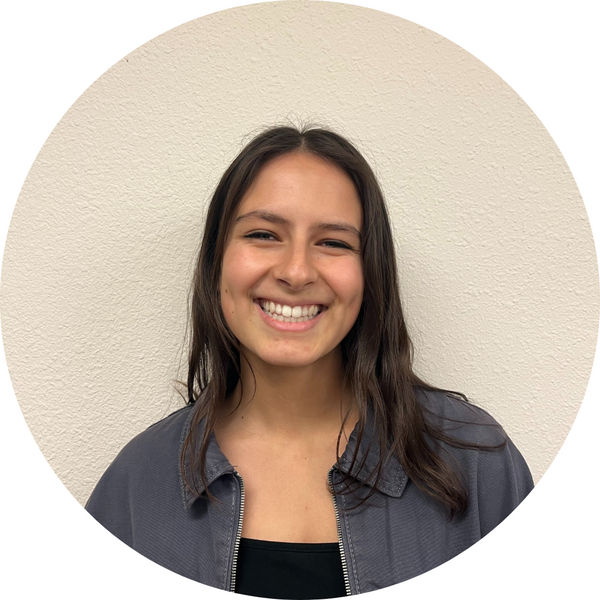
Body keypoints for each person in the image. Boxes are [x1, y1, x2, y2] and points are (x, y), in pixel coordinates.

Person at [86, 125, 533, 598]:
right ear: (217, 261)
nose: (296, 272)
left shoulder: (477, 464)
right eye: (263, 234)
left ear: (370, 272)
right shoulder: (137, 483)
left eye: (334, 242)